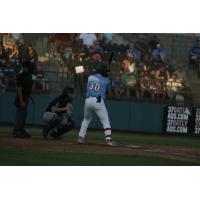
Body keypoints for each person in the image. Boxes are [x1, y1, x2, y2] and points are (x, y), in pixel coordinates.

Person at [78, 64, 113, 146]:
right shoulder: (106, 80)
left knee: (86, 119)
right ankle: (108, 140)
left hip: (88, 100)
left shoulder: (90, 77)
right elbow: (110, 92)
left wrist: (79, 68)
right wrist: (109, 78)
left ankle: (80, 138)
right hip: (98, 100)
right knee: (105, 121)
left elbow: (82, 76)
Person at [13, 60, 34, 138]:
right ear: (25, 67)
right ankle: (16, 131)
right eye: (29, 67)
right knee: (20, 116)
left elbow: (29, 88)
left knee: (24, 115)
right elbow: (19, 90)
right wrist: (21, 101)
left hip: (26, 98)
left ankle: (21, 130)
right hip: (20, 99)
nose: (31, 68)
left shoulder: (30, 75)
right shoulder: (21, 76)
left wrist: (32, 99)